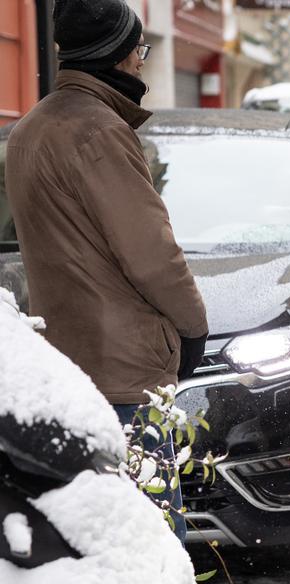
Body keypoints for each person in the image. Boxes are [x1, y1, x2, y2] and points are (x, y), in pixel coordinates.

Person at [4, 0, 208, 542]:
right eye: (139, 51)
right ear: (120, 57)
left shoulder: (29, 129)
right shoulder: (99, 129)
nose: (141, 63)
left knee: (92, 539)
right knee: (151, 538)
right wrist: (194, 325)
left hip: (67, 364)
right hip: (125, 369)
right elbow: (151, 252)